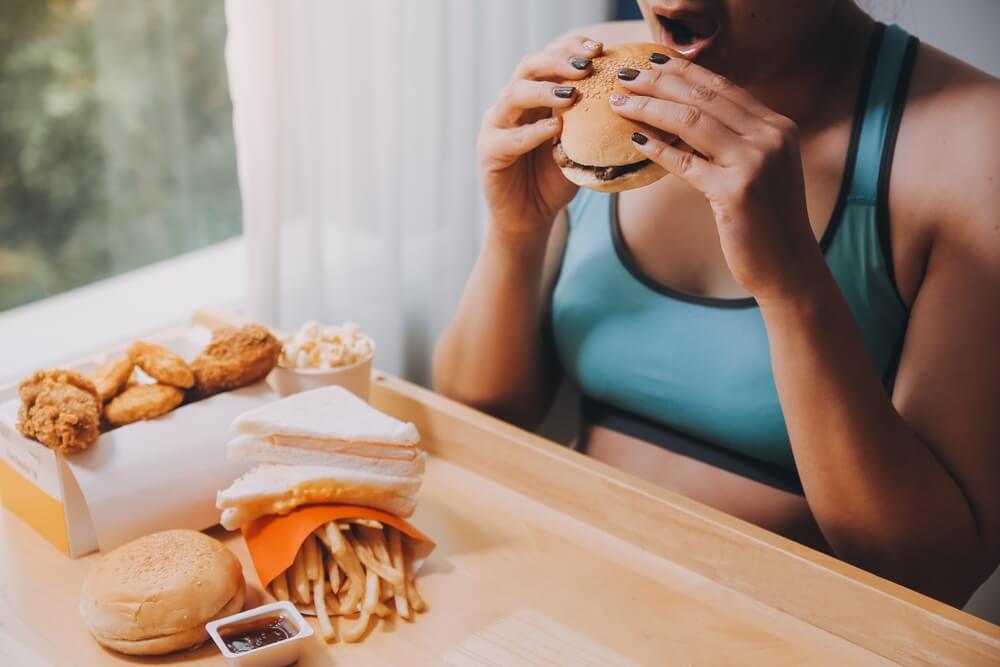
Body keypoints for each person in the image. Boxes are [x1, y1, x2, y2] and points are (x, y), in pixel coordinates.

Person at [433, 0, 999, 606]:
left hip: (801, 630)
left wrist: (792, 285)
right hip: (560, 589)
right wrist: (516, 233)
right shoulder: (589, 74)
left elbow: (931, 572)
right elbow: (479, 418)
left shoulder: (978, 145)